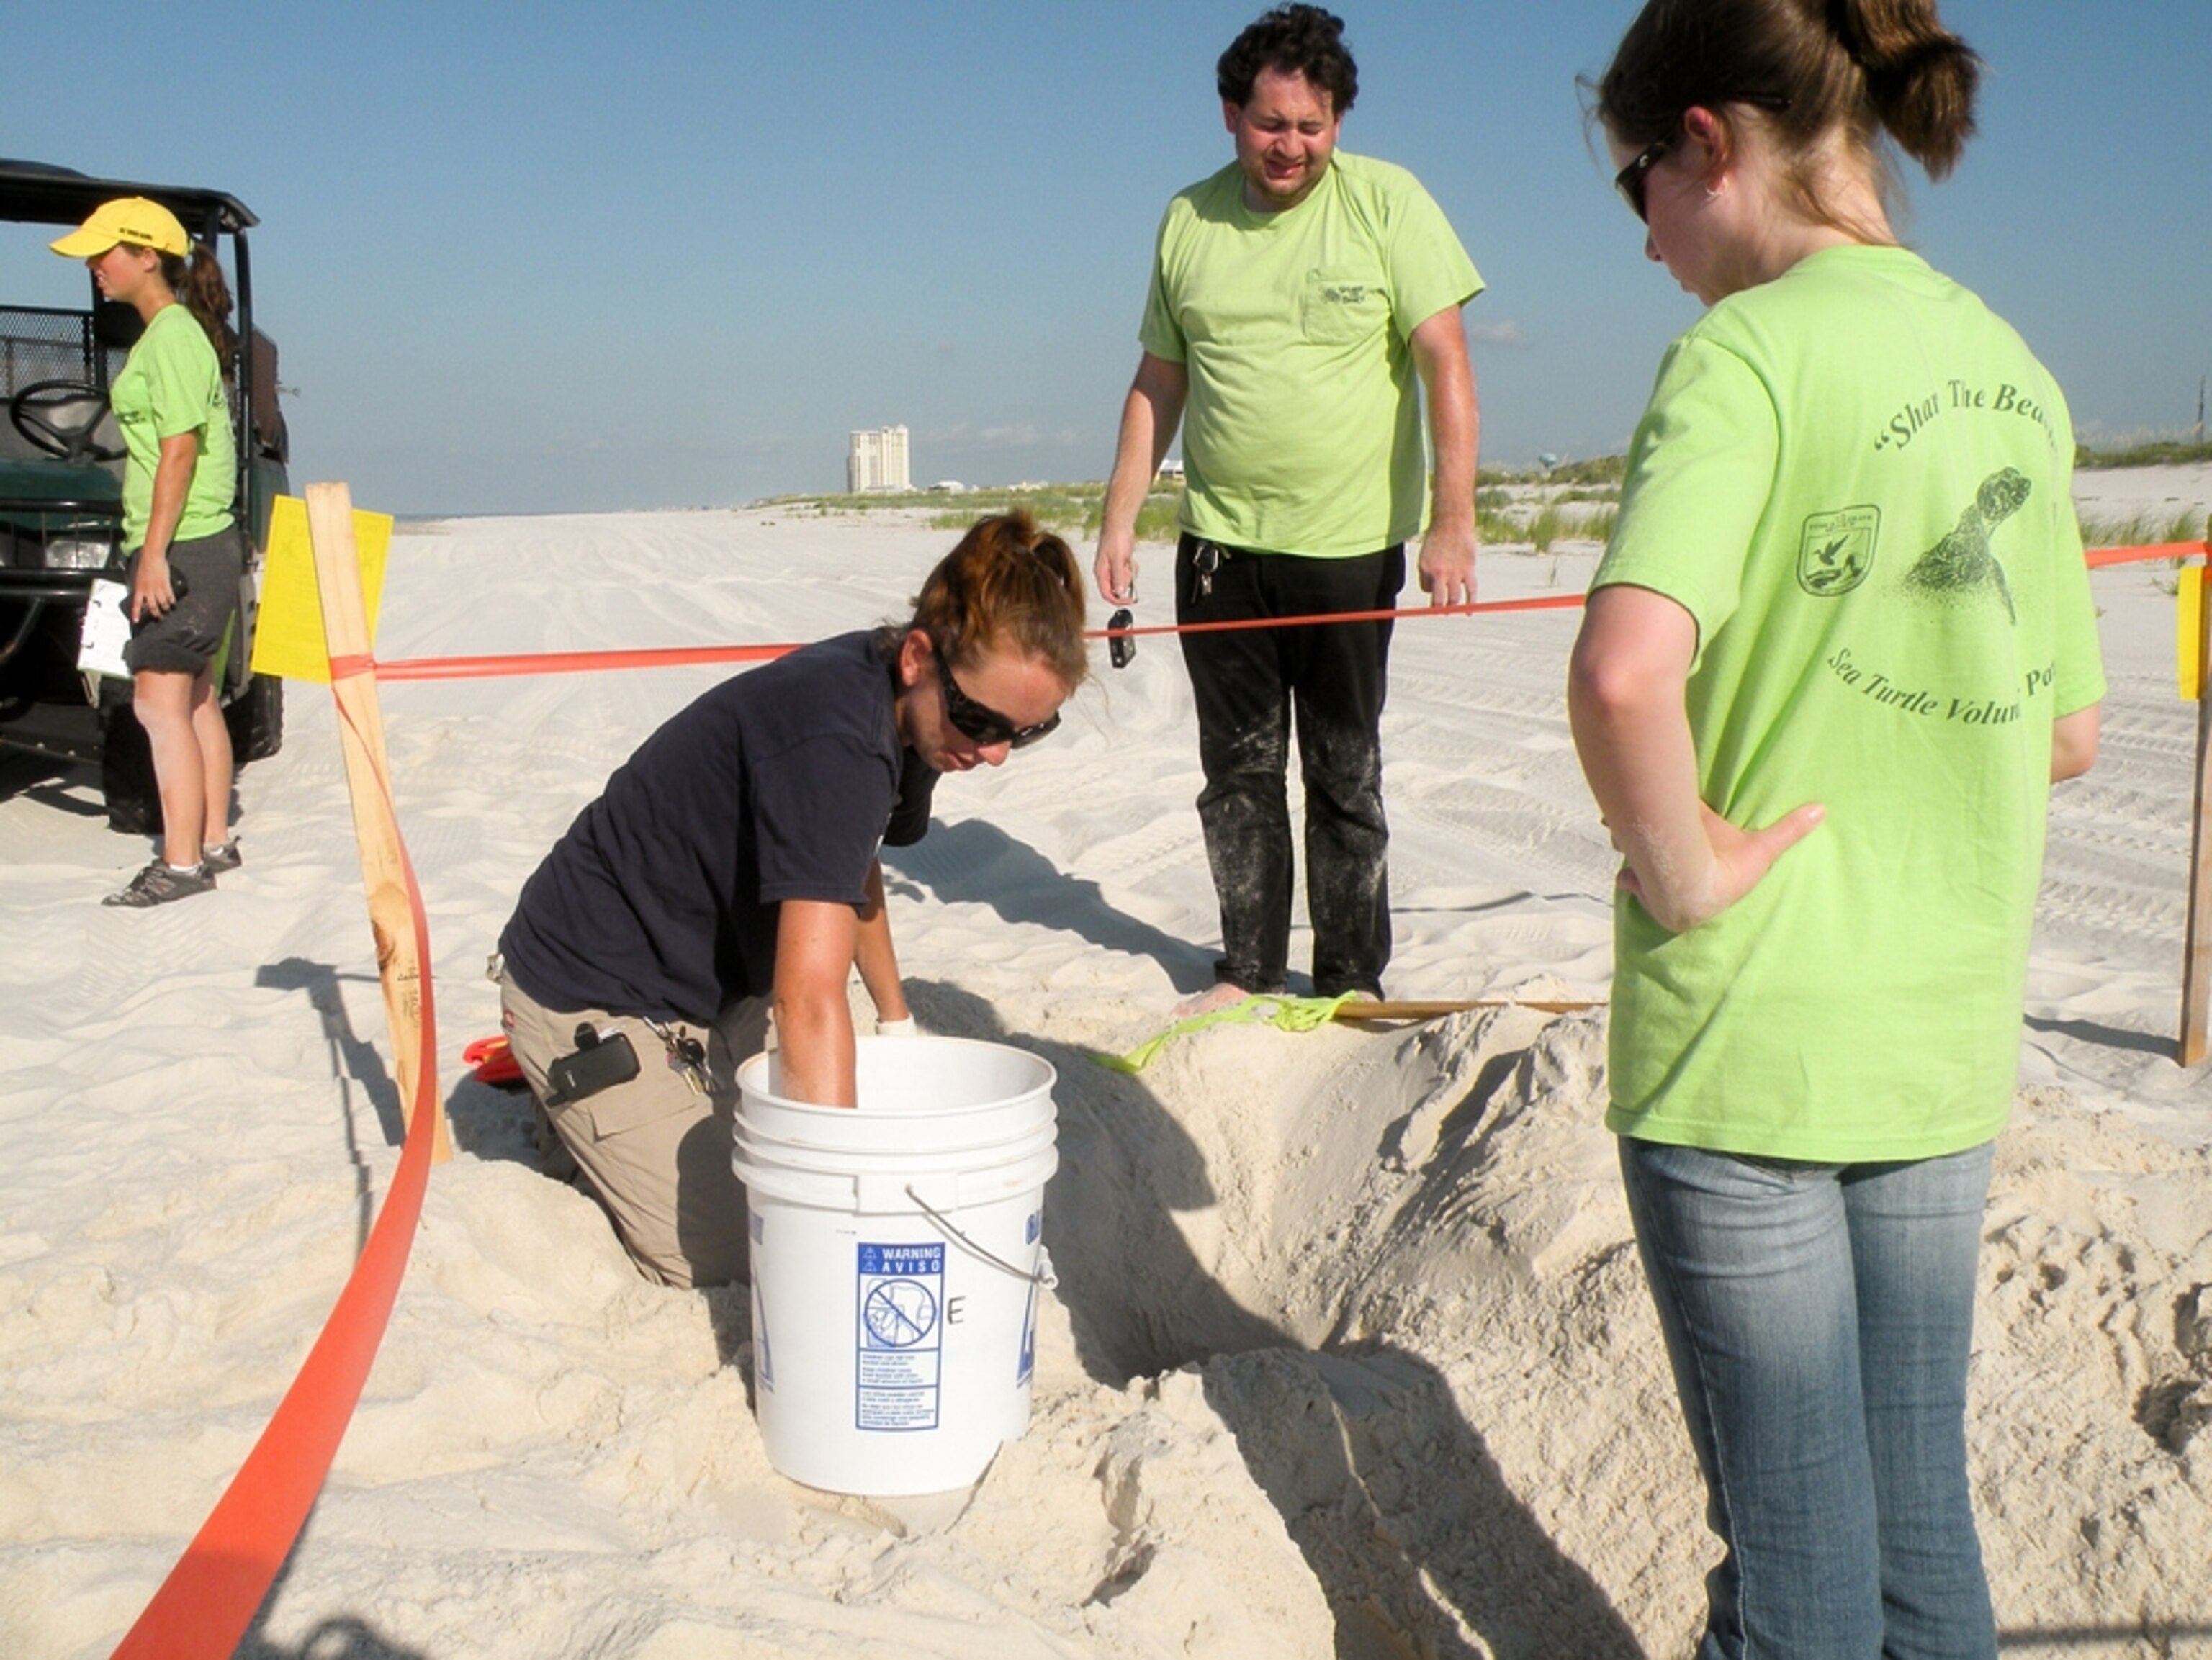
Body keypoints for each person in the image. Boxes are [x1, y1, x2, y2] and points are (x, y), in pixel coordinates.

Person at [1567, 2, 2105, 1654]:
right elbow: (2067, 730)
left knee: (1790, 1577)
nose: (1645, 238)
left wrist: (1687, 869)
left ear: (1706, 146)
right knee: (1911, 1536)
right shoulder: (2007, 367)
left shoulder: (1742, 356)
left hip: (1747, 1046)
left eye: (1633, 184)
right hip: (1935, 1037)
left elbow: (1621, 672)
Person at [492, 512, 1087, 1290]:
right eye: (981, 721)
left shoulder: (917, 716)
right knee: (747, 1251)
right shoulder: (838, 735)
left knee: (810, 1141)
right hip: (592, 980)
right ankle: (574, 1115)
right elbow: (807, 1000)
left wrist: (896, 1020)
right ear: (918, 656)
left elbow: (853, 862)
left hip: (711, 985)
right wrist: (843, 1213)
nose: (996, 751)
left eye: (1027, 730)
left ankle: (632, 1113)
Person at [1094, 3, 1482, 1011]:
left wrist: (1453, 519)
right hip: (1221, 546)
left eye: (1313, 127)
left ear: (1339, 123)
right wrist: (1120, 517)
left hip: (1350, 547)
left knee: (1345, 771)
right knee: (1238, 774)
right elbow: (1158, 382)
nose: (1292, 146)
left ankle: (1352, 975)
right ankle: (1250, 969)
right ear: (1231, 114)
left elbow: (1446, 359)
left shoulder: (1390, 204)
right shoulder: (1188, 218)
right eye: (1272, 124)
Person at [50, 198, 245, 906]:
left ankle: (183, 862)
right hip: (199, 542)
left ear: (147, 256)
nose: (96, 267)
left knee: (158, 707)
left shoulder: (169, 338)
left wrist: (154, 555)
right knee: (193, 702)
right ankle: (216, 840)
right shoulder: (173, 335)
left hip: (184, 543)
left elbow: (179, 451)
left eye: (105, 254)